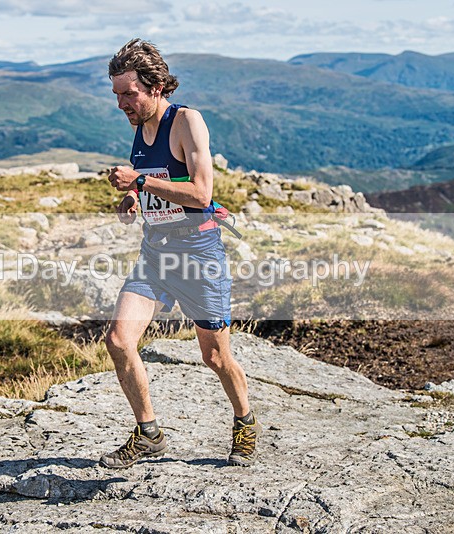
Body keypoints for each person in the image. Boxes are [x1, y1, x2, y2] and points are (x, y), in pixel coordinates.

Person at [100, 38, 260, 469]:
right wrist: (134, 199)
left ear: (154, 86)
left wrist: (141, 182)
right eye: (116, 95)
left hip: (198, 255)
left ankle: (244, 421)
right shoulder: (140, 127)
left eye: (128, 94)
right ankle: (148, 432)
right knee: (118, 339)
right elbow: (155, 185)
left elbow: (201, 193)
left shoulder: (187, 121)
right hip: (155, 254)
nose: (121, 104)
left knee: (214, 356)